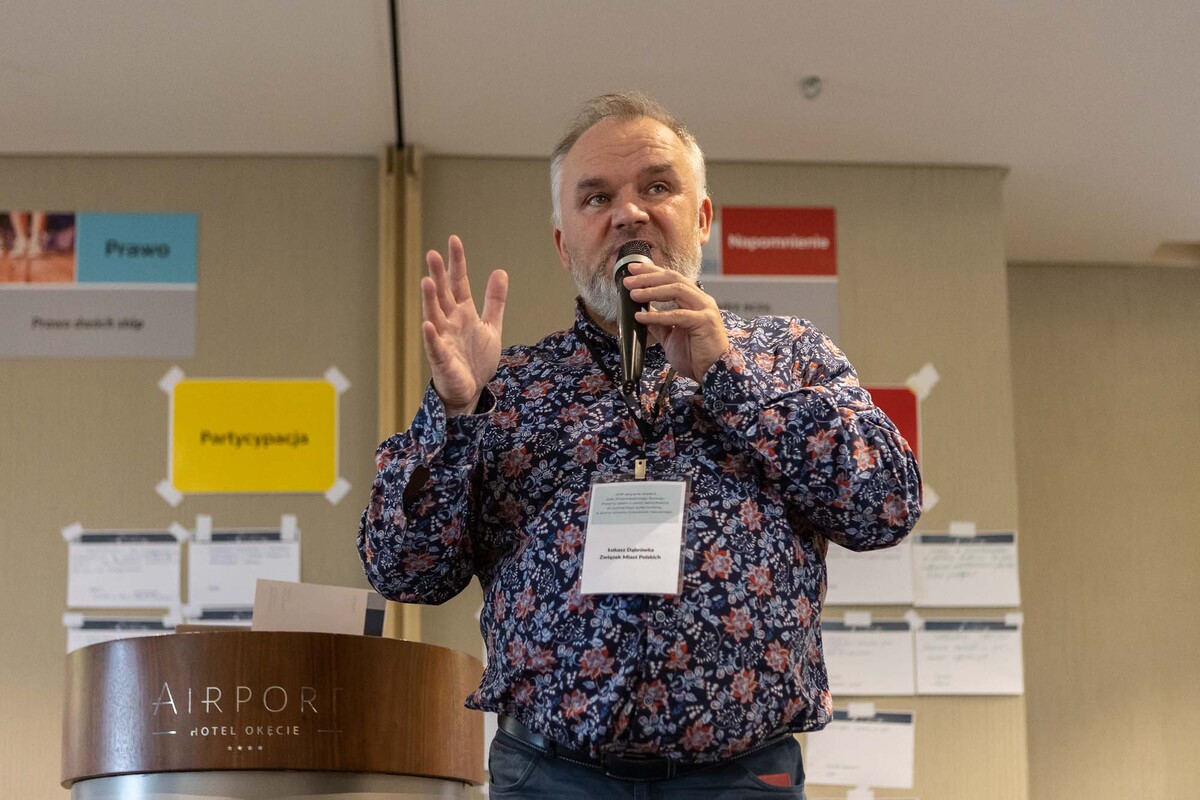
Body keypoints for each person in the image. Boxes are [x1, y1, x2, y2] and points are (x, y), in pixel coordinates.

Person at [359, 91, 922, 798]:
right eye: (596, 198)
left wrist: (729, 376)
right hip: (550, 776)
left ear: (703, 217)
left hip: (741, 776)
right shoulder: (507, 385)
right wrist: (454, 412)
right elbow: (403, 572)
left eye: (656, 187)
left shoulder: (788, 357)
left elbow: (886, 508)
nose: (628, 213)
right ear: (564, 242)